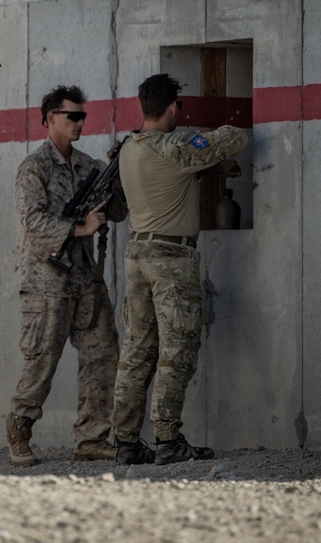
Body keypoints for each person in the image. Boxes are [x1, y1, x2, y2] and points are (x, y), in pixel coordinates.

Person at [112, 73, 247, 466]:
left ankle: (125, 442)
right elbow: (233, 137)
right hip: (171, 259)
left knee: (137, 351)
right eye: (179, 107)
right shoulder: (175, 145)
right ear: (173, 107)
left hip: (137, 254)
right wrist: (211, 138)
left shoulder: (131, 149)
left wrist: (209, 171)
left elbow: (171, 176)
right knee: (177, 350)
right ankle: (168, 439)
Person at [6, 85, 128, 467]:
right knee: (42, 362)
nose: (79, 123)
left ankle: (92, 438)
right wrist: (80, 229)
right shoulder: (34, 169)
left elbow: (119, 213)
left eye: (82, 116)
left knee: (103, 355)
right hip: (46, 283)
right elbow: (32, 223)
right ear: (49, 119)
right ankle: (19, 428)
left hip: (85, 281)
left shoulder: (90, 167)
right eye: (72, 116)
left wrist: (118, 184)